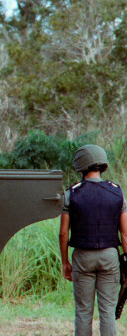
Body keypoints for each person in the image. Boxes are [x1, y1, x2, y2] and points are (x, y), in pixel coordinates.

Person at [60, 144, 127, 336]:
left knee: (83, 312)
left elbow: (63, 233)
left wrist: (65, 262)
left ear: (80, 166)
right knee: (108, 312)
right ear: (102, 165)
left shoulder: (71, 193)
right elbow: (125, 234)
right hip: (109, 257)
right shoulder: (117, 192)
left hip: (82, 257)